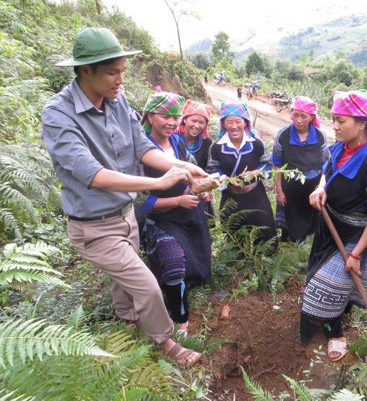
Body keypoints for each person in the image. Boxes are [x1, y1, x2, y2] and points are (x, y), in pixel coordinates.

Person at [41, 27, 206, 367]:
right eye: (112, 72)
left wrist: (183, 166)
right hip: (93, 227)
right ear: (85, 70)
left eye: (122, 71)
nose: (120, 80)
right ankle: (165, 343)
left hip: (125, 216)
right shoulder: (58, 114)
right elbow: (93, 174)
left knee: (124, 278)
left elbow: (143, 147)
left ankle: (127, 320)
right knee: (145, 284)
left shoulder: (117, 102)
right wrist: (157, 185)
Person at [300, 90, 367, 362]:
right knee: (319, 275)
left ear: (362, 123)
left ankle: (336, 335)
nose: (335, 126)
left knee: (325, 290)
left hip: (354, 235)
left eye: (341, 121)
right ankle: (335, 327)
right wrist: (320, 189)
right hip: (328, 228)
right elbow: (325, 173)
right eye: (333, 119)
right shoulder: (337, 148)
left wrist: (356, 254)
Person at [139, 91, 212, 338]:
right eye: (164, 116)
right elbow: (141, 201)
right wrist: (178, 201)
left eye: (175, 117)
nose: (171, 122)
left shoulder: (178, 144)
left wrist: (203, 189)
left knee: (190, 260)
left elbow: (193, 175)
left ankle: (181, 290)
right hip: (162, 219)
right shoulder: (141, 149)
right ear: (149, 115)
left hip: (188, 215)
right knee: (174, 265)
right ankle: (180, 321)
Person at [206, 102, 277, 247]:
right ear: (223, 124)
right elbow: (212, 170)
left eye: (238, 121)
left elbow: (268, 165)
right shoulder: (217, 147)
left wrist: (256, 172)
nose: (234, 126)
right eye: (229, 122)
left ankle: (263, 264)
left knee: (263, 234)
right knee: (235, 237)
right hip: (231, 197)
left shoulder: (256, 144)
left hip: (256, 197)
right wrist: (228, 180)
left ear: (245, 122)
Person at [272, 96, 329, 242]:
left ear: (311, 117)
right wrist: (279, 191)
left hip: (312, 186)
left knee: (310, 217)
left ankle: (305, 246)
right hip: (289, 186)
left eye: (304, 116)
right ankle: (290, 244)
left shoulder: (320, 136)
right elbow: (277, 164)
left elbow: (325, 165)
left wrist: (320, 188)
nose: (299, 119)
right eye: (295, 114)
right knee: (291, 217)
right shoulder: (283, 135)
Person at [178, 99, 213, 171]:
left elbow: (206, 168)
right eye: (193, 121)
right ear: (185, 119)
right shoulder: (174, 139)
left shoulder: (206, 142)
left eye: (201, 122)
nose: (197, 126)